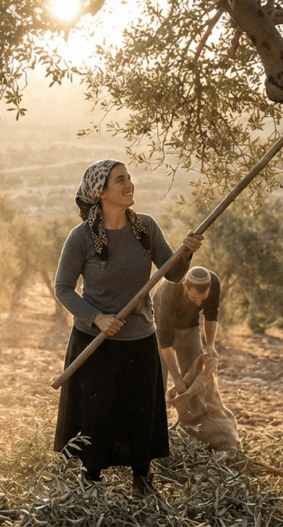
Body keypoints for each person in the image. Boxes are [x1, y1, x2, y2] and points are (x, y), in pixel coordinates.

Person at [53, 159, 204, 495]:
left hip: (139, 339)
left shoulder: (146, 228)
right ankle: (90, 479)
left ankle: (141, 476)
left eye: (129, 178)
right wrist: (98, 317)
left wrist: (186, 253)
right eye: (121, 180)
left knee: (139, 411)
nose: (129, 184)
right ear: (101, 192)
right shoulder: (81, 238)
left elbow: (174, 274)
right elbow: (62, 287)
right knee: (96, 412)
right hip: (95, 341)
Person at [153, 266, 221, 392]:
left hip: (190, 326)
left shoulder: (214, 282)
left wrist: (210, 345)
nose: (199, 303)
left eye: (203, 298)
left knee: (194, 376)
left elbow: (211, 316)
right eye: (194, 298)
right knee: (158, 378)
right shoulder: (170, 289)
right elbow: (165, 343)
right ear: (185, 285)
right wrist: (177, 378)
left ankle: (191, 411)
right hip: (161, 326)